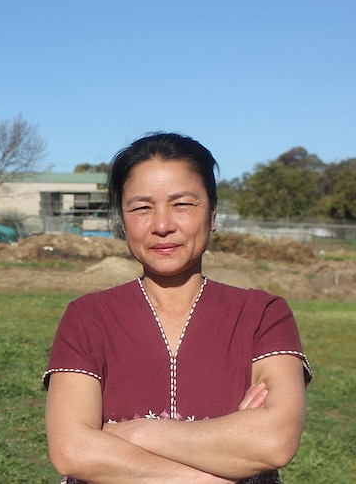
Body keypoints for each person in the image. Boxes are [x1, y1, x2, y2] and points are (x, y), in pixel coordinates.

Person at [44, 132, 312, 484]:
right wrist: (219, 467)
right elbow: (72, 450)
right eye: (141, 208)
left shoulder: (262, 315)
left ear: (213, 214)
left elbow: (273, 441)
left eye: (182, 204)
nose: (161, 226)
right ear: (122, 221)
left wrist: (136, 433)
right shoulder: (88, 317)